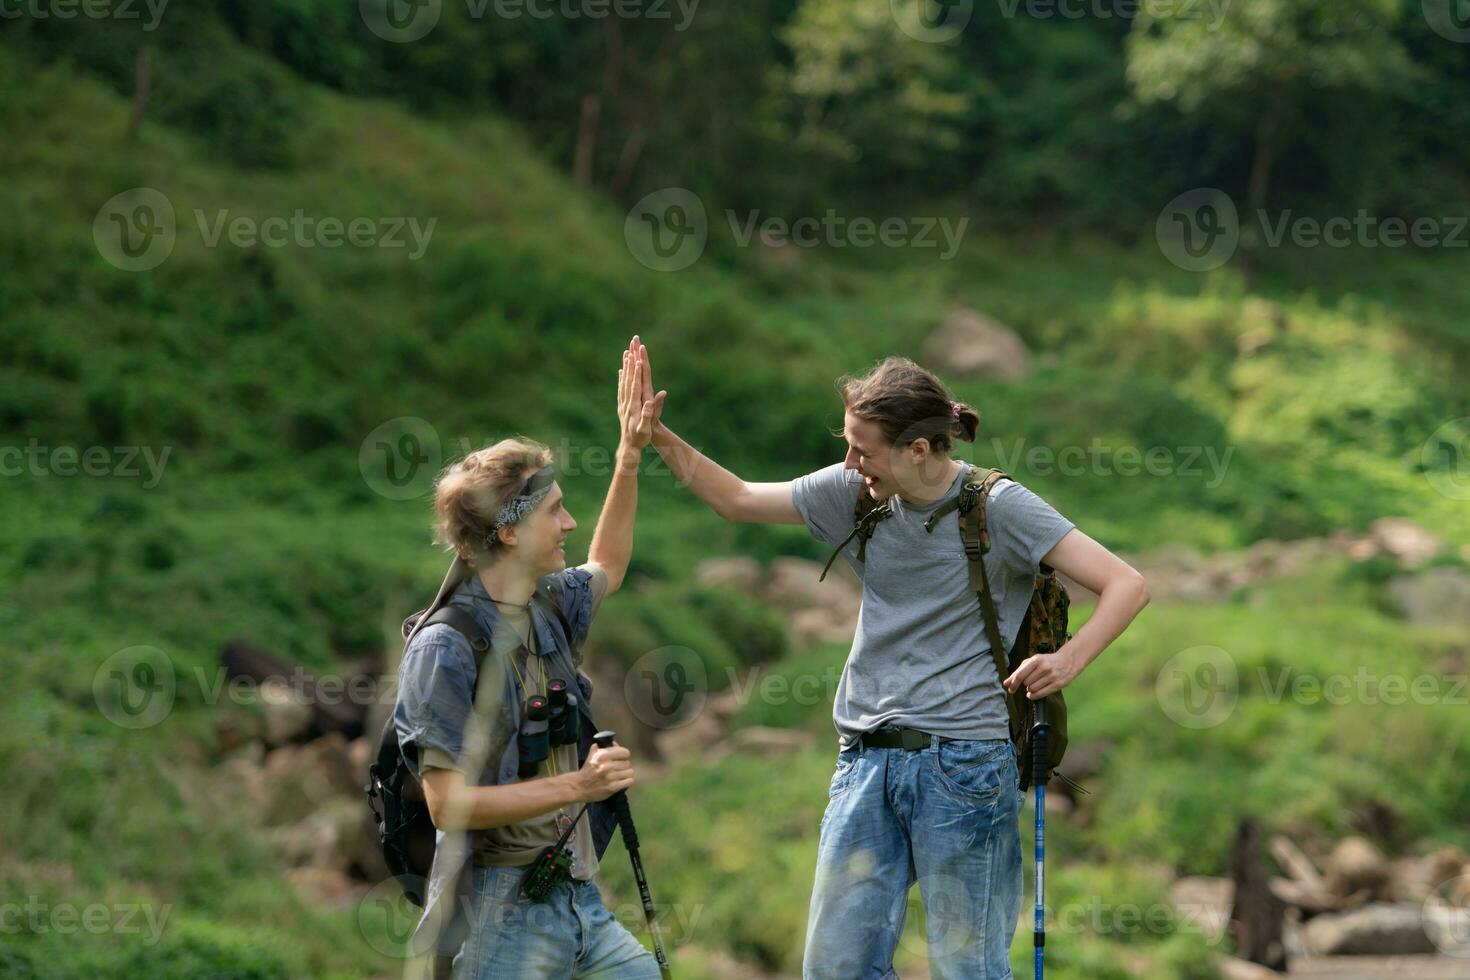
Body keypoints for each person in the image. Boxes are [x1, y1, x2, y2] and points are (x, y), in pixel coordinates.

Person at [635, 342, 1150, 979]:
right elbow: (737, 498)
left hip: (967, 764)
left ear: (919, 449)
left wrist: (1068, 661)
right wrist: (657, 435)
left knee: (968, 969)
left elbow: (1126, 584)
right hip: (865, 760)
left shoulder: (997, 506)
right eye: (847, 444)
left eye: (863, 449)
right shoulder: (854, 493)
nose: (850, 462)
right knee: (835, 969)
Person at [391, 336, 667, 980]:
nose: (569, 523)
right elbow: (447, 805)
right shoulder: (445, 646)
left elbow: (610, 563)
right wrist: (582, 784)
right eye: (554, 510)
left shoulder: (546, 603)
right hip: (498, 911)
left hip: (575, 892)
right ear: (509, 530)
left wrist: (628, 456)